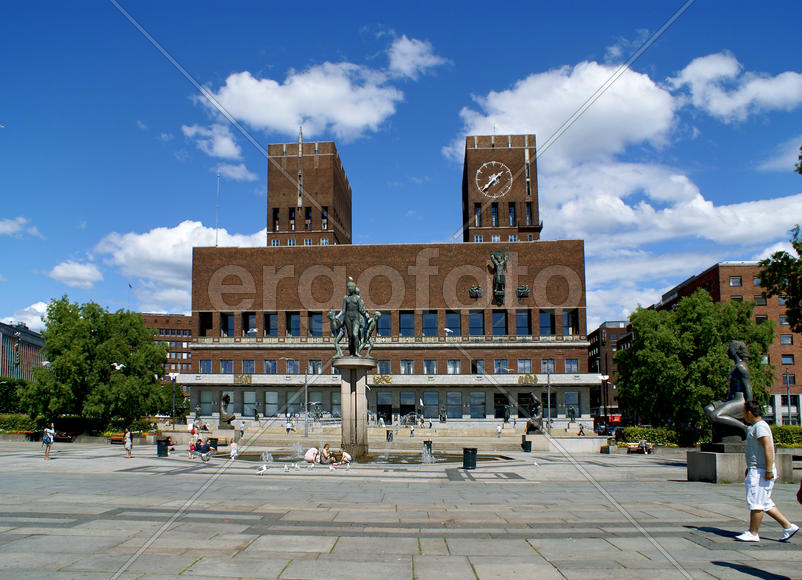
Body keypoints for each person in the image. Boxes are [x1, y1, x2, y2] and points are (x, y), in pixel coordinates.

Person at [735, 401, 798, 542]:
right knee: (765, 502)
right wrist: (750, 468)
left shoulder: (760, 427)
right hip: (757, 469)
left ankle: (753, 532)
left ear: (749, 413)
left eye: (744, 412)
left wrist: (768, 469)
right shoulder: (757, 427)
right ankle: (788, 526)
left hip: (761, 471)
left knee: (756, 501)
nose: (743, 415)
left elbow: (768, 447)